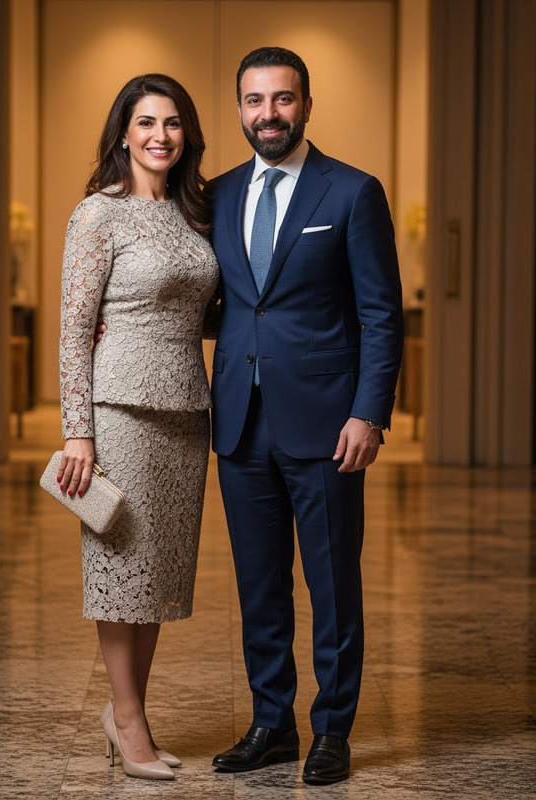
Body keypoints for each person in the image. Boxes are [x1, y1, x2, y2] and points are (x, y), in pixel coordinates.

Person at [207, 47, 404, 786]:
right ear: (239, 109)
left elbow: (381, 317)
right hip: (239, 422)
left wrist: (368, 415)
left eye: (282, 99)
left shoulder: (351, 193)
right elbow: (220, 302)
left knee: (330, 585)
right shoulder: (217, 195)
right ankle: (271, 723)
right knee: (259, 586)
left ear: (307, 105)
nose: (268, 114)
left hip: (326, 425)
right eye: (255, 101)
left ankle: (332, 731)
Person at [56, 73, 218, 782]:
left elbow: (202, 308)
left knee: (154, 577)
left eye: (173, 123)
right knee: (120, 570)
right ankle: (128, 720)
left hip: (187, 411)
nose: (161, 135)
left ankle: (130, 710)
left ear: (187, 135)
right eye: (146, 122)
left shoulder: (195, 212)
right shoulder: (98, 214)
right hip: (118, 413)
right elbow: (70, 329)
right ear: (123, 132)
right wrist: (77, 431)